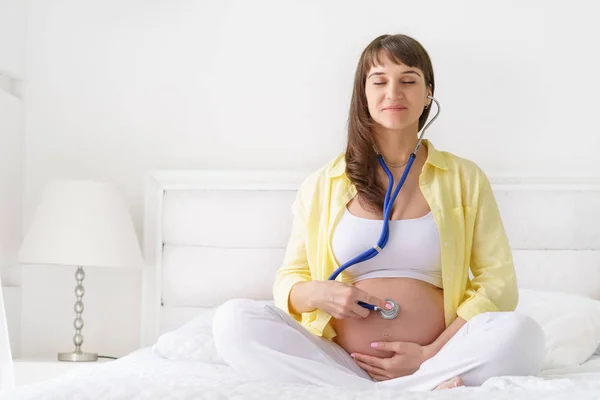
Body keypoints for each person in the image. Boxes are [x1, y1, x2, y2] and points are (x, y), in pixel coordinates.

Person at [212, 33, 545, 391]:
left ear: (428, 92)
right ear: (363, 94)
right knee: (234, 321)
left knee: (522, 334)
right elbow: (289, 279)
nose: (393, 93)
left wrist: (430, 354)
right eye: (380, 81)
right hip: (340, 359)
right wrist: (320, 294)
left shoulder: (465, 178)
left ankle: (390, 386)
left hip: (434, 357)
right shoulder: (323, 184)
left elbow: (498, 283)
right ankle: (403, 389)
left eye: (408, 80)